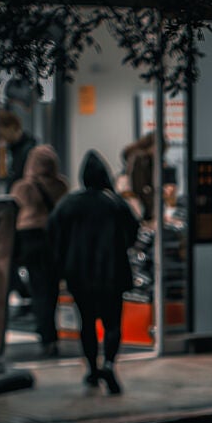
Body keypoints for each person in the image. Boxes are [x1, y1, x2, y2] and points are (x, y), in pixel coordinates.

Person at [48, 150, 139, 395]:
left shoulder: (69, 204)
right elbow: (133, 232)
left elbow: (54, 234)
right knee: (112, 323)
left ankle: (91, 368)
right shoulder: (115, 203)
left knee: (86, 322)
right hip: (112, 273)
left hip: (79, 274)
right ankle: (109, 363)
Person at [9, 144, 68, 358]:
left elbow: (13, 214)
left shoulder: (23, 187)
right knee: (50, 291)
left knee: (38, 289)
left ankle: (46, 334)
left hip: (29, 240)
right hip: (53, 240)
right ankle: (49, 333)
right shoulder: (61, 186)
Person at [122, 131, 158, 225]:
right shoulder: (141, 158)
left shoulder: (137, 156)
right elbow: (139, 185)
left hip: (139, 202)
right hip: (141, 203)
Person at [0, 110, 37, 188]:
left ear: (12, 127)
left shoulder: (28, 150)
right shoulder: (13, 149)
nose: (2, 138)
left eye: (1, 134)